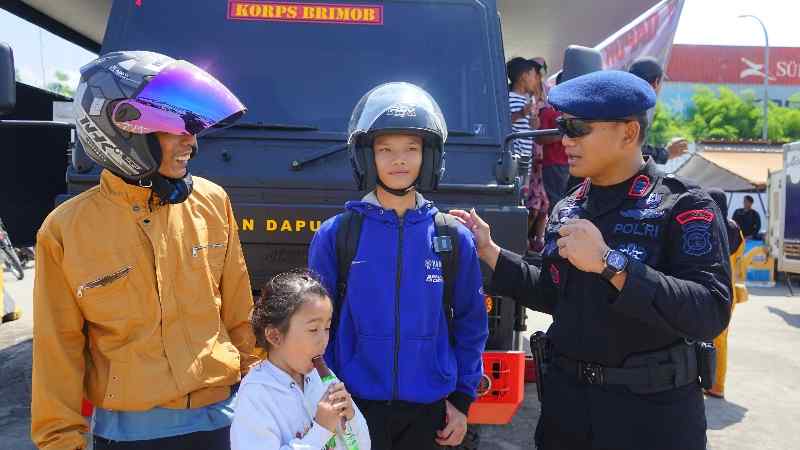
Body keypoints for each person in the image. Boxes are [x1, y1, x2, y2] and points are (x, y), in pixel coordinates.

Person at [451, 70, 732, 450]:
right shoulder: (569, 206)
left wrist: (610, 263)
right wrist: (489, 251)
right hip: (568, 415)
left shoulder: (683, 205)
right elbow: (553, 293)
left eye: (578, 128)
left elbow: (709, 311)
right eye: (563, 127)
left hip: (651, 421)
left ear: (628, 133)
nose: (565, 140)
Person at [31, 51, 256, 450]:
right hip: (130, 435)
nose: (191, 142)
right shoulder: (65, 231)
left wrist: (266, 397)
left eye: (192, 128)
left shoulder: (212, 201)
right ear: (123, 132)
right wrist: (60, 442)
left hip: (225, 420)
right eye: (174, 128)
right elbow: (57, 352)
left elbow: (240, 315)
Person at [308, 82, 488, 449]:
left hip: (430, 410)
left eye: (411, 148)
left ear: (429, 156)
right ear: (366, 157)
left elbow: (471, 323)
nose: (399, 160)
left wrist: (461, 400)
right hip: (354, 405)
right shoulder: (337, 235)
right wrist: (322, 393)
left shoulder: (453, 237)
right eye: (385, 149)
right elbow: (313, 327)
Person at [230, 270, 371, 449]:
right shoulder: (256, 394)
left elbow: (362, 446)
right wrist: (321, 430)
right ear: (275, 336)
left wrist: (351, 418)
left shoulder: (322, 380)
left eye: (327, 328)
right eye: (313, 330)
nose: (324, 340)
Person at [707, 189, 748, 399]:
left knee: (706, 339)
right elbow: (739, 256)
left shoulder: (708, 225)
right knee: (720, 340)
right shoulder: (735, 229)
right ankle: (715, 384)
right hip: (727, 290)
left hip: (708, 287)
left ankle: (712, 384)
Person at [628, 56, 688, 164]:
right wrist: (666, 153)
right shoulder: (635, 109)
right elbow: (632, 151)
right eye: (662, 82)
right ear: (655, 83)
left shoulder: (619, 99)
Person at [537, 72, 569, 214]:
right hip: (554, 165)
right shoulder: (548, 111)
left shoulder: (579, 111)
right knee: (557, 202)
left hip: (572, 163)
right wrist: (564, 134)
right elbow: (540, 138)